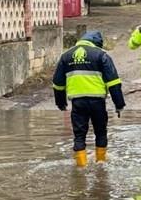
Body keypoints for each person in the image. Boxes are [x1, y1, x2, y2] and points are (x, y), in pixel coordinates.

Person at [53, 31, 125, 167]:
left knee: (79, 135)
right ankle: (101, 164)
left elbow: (58, 83)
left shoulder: (66, 56)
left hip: (77, 102)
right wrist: (119, 104)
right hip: (97, 102)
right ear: (97, 43)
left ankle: (81, 168)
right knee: (100, 133)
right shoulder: (101, 55)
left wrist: (61, 103)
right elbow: (113, 82)